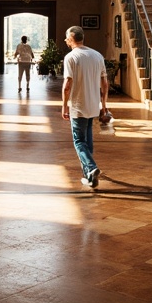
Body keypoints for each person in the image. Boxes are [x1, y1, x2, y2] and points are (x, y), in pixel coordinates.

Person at [61, 25, 109, 189]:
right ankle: (89, 176)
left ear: (72, 37)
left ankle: (92, 168)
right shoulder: (97, 55)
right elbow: (104, 83)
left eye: (66, 37)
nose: (65, 40)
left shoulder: (71, 57)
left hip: (78, 105)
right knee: (88, 140)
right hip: (93, 105)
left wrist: (64, 106)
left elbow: (67, 84)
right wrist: (103, 105)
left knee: (79, 141)